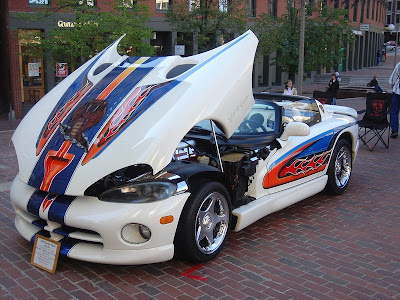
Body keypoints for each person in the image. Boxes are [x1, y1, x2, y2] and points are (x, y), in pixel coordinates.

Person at [389, 62, 400, 138]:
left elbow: (392, 79)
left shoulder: (399, 65)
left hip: (397, 92)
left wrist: (393, 86)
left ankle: (394, 130)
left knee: (394, 111)